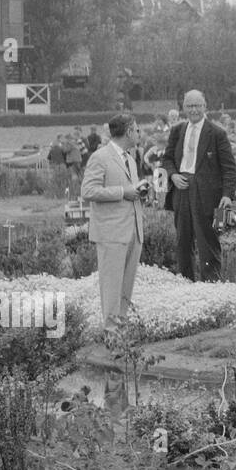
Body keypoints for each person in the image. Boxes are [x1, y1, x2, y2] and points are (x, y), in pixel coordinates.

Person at [80, 113, 147, 331]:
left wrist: (139, 192)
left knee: (126, 285)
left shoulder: (130, 158)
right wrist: (122, 192)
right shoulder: (100, 157)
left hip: (133, 230)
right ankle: (111, 332)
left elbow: (130, 191)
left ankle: (122, 328)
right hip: (111, 233)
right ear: (128, 131)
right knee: (111, 285)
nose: (139, 134)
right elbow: (88, 191)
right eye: (137, 130)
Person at [162, 90, 236, 281]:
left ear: (205, 107)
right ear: (183, 108)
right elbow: (167, 159)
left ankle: (211, 285)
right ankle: (186, 283)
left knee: (207, 240)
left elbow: (229, 167)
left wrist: (227, 195)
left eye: (197, 105)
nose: (193, 110)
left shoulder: (217, 133)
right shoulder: (177, 131)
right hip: (181, 190)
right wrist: (173, 176)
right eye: (189, 106)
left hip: (207, 194)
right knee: (182, 241)